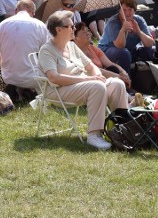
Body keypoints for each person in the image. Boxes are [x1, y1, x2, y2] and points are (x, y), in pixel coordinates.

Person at [38, 11, 128, 150]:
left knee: (117, 84)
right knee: (97, 86)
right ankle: (94, 135)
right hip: (58, 90)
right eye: (71, 26)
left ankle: (121, 128)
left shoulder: (71, 46)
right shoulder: (47, 50)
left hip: (81, 85)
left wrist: (98, 75)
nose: (74, 28)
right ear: (59, 29)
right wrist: (90, 78)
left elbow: (90, 66)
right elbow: (54, 78)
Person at [0, 0, 49, 101]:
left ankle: (18, 90)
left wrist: (1, 67)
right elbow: (46, 54)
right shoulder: (40, 25)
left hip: (8, 76)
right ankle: (27, 90)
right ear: (33, 13)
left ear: (15, 10)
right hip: (33, 78)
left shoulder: (3, 24)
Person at [97, 0, 155, 76]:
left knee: (151, 51)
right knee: (124, 53)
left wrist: (138, 31)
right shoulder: (113, 22)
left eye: (130, 10)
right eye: (124, 10)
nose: (127, 13)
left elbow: (149, 44)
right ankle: (126, 83)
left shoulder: (139, 20)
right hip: (108, 51)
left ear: (134, 10)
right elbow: (119, 46)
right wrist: (123, 30)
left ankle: (152, 82)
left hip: (131, 50)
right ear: (119, 11)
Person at [73, 22, 131, 88]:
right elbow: (94, 70)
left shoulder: (93, 48)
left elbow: (110, 63)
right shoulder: (74, 52)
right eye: (84, 32)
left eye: (88, 31)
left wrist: (124, 72)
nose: (88, 34)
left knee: (114, 68)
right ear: (75, 37)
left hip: (103, 78)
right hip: (91, 82)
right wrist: (118, 76)